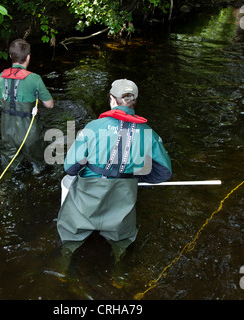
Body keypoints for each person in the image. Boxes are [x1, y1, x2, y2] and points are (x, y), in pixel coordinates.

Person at [57, 79, 172, 268]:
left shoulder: (94, 127)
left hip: (87, 198)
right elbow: (164, 173)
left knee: (70, 234)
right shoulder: (149, 133)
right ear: (134, 102)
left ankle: (63, 265)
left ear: (112, 99)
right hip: (123, 198)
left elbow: (69, 168)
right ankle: (118, 273)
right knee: (122, 239)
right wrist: (136, 178)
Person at [0, 39, 54, 172]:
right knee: (41, 166)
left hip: (7, 132)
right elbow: (50, 105)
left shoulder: (0, 77)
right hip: (30, 135)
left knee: (8, 170)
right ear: (28, 57)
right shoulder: (34, 78)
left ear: (10, 56)